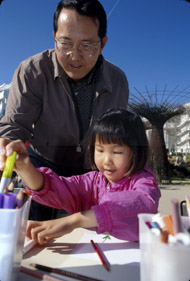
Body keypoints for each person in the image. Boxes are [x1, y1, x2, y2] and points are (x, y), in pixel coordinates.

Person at [0, 0, 129, 220]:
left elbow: (118, 137)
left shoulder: (118, 81)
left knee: (91, 237)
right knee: (36, 236)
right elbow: (14, 124)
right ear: (54, 37)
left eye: (87, 46)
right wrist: (7, 145)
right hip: (41, 167)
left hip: (93, 173)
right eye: (65, 44)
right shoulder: (31, 71)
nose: (75, 56)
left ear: (103, 44)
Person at [4, 108, 161, 243]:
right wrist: (25, 168)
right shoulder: (93, 180)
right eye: (100, 150)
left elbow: (141, 205)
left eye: (117, 152)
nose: (106, 161)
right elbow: (57, 188)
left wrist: (75, 220)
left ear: (136, 152)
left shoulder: (144, 181)